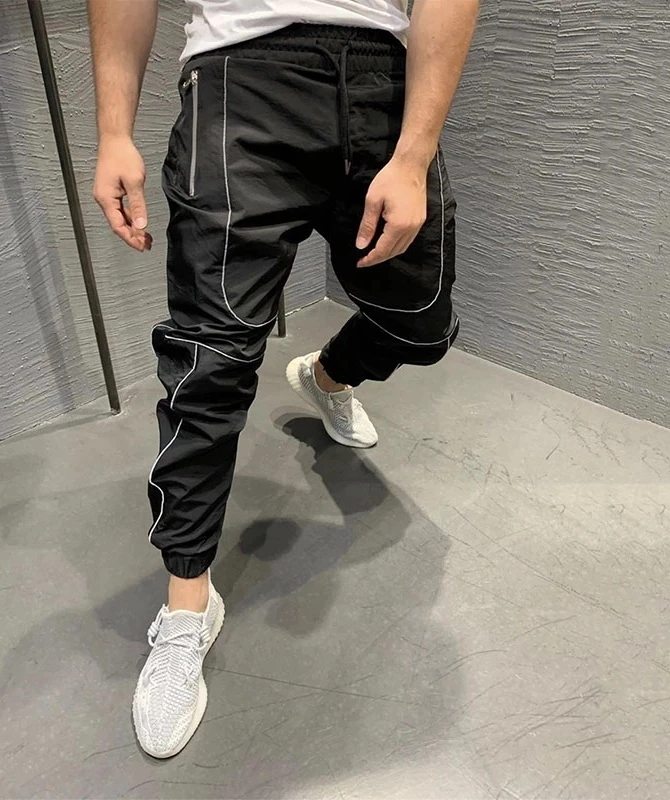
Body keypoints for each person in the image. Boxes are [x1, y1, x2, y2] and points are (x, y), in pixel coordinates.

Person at [88, 0, 478, 759]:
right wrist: (112, 132)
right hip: (238, 80)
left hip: (384, 81)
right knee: (210, 365)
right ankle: (187, 606)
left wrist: (415, 151)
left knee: (421, 321)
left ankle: (326, 378)